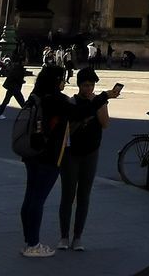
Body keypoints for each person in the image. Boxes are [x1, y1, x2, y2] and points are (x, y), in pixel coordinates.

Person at [18, 64, 119, 258]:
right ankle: (33, 244)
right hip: (48, 157)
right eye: (62, 78)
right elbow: (79, 114)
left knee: (30, 197)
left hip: (31, 154)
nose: (64, 81)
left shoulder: (36, 96)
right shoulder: (56, 100)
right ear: (56, 81)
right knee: (38, 199)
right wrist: (103, 97)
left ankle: (28, 240)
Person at [57, 67, 109, 251]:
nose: (89, 89)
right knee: (68, 195)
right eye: (86, 85)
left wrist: (101, 104)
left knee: (84, 196)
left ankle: (77, 237)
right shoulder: (71, 102)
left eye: (92, 85)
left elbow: (105, 124)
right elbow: (70, 123)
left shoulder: (98, 102)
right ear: (79, 85)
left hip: (91, 153)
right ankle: (64, 236)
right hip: (71, 154)